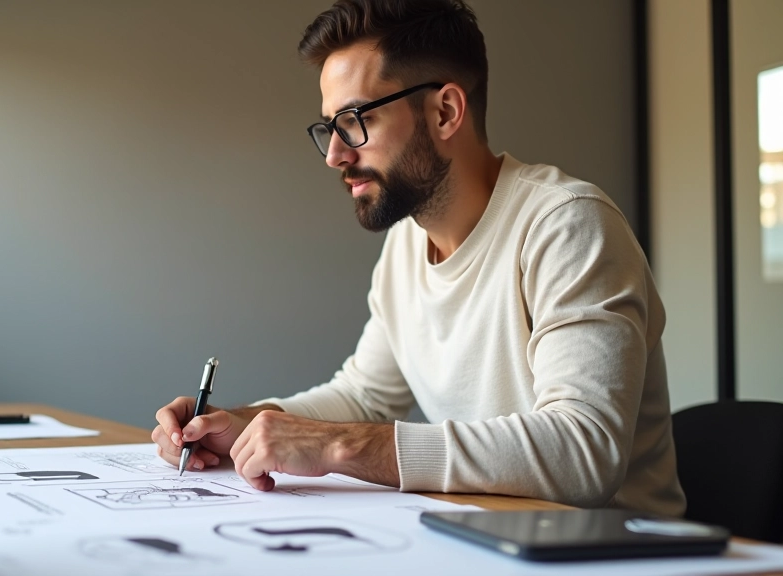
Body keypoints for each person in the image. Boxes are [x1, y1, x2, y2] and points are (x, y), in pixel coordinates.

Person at [153, 0, 686, 516]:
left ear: (445, 111)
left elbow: (585, 452)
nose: (336, 154)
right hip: (488, 543)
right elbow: (365, 397)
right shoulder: (407, 242)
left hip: (621, 555)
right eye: (329, 127)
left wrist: (342, 447)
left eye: (355, 119)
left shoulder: (568, 225)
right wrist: (241, 426)